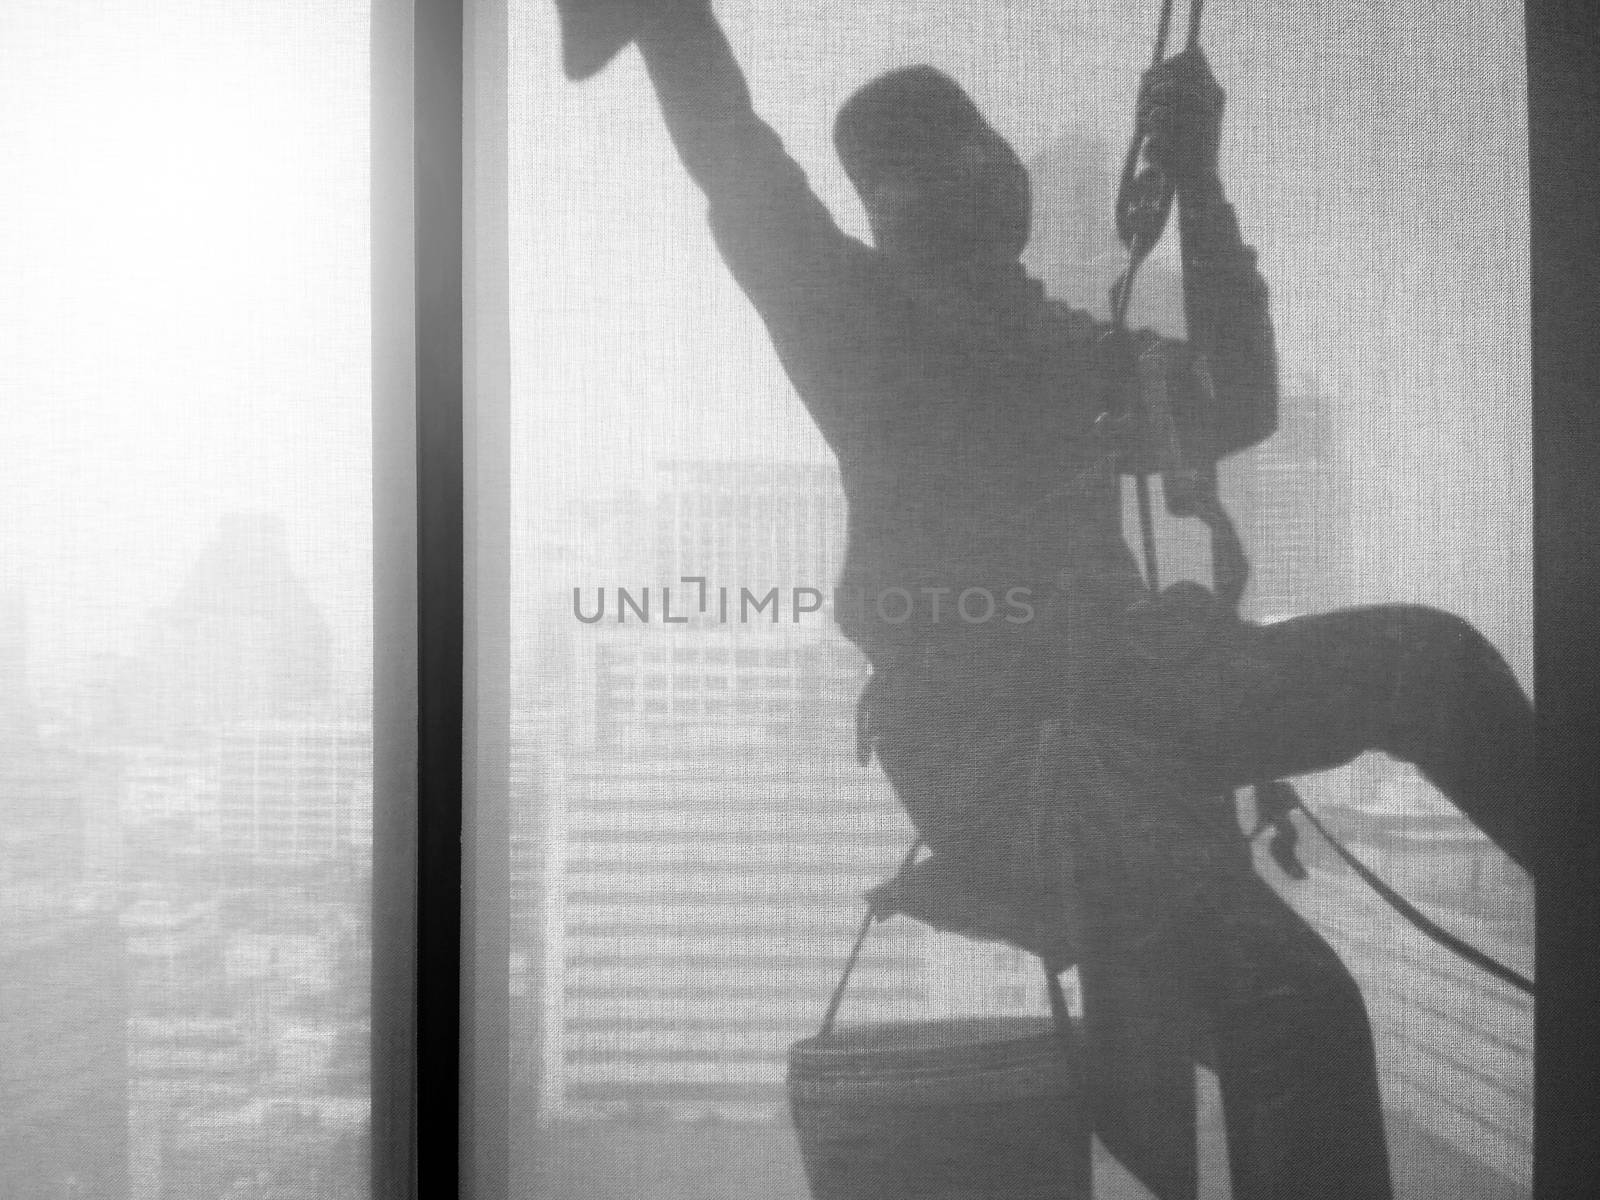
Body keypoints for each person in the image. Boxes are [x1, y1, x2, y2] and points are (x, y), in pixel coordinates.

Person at [562, 2, 1538, 1196]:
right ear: (894, 203)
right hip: (999, 742)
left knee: (1420, 664)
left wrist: (1204, 190)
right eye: (949, 155)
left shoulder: (1061, 346)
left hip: (1124, 686)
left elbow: (1234, 404)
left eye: (984, 146)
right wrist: (666, 22)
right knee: (1288, 1000)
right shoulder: (849, 315)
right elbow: (731, 151)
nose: (985, 169)